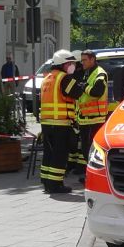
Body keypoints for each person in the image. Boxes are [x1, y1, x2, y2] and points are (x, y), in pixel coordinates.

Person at [38, 49, 82, 193]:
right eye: (70, 63)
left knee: (48, 153)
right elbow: (77, 92)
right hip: (61, 124)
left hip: (46, 123)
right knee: (60, 155)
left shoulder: (47, 78)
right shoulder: (64, 78)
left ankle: (46, 181)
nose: (72, 66)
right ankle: (55, 185)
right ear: (62, 64)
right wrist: (77, 79)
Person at [72, 49, 110, 177]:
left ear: (92, 59)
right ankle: (90, 175)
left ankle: (95, 175)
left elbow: (97, 92)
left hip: (96, 119)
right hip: (85, 119)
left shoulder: (100, 73)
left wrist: (84, 87)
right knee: (85, 149)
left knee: (94, 149)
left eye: (84, 60)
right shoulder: (87, 73)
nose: (82, 62)